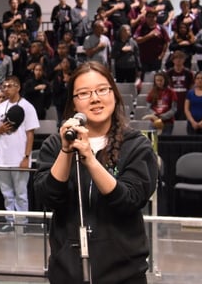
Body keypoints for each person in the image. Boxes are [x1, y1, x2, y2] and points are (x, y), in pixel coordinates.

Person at [34, 61, 157, 284]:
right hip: (67, 273)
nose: (95, 98)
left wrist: (90, 159)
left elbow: (129, 200)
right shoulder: (54, 145)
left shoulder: (137, 146)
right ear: (73, 102)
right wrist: (66, 151)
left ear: (114, 94)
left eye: (102, 89)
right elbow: (47, 197)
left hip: (124, 274)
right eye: (84, 93)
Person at [0, 75, 39, 234]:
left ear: (18, 87)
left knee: (21, 194)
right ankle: (10, 223)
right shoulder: (0, 107)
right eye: (4, 86)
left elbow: (30, 134)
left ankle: (22, 224)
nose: (6, 89)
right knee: (7, 194)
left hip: (19, 158)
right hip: (2, 158)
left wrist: (26, 157)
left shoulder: (27, 107)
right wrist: (0, 130)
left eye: (10, 86)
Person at [166, 50, 194, 120]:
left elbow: (192, 87)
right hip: (173, 102)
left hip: (185, 101)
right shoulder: (169, 73)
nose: (178, 60)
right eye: (176, 58)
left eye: (181, 58)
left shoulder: (188, 73)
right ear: (173, 60)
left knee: (183, 122)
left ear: (184, 60)